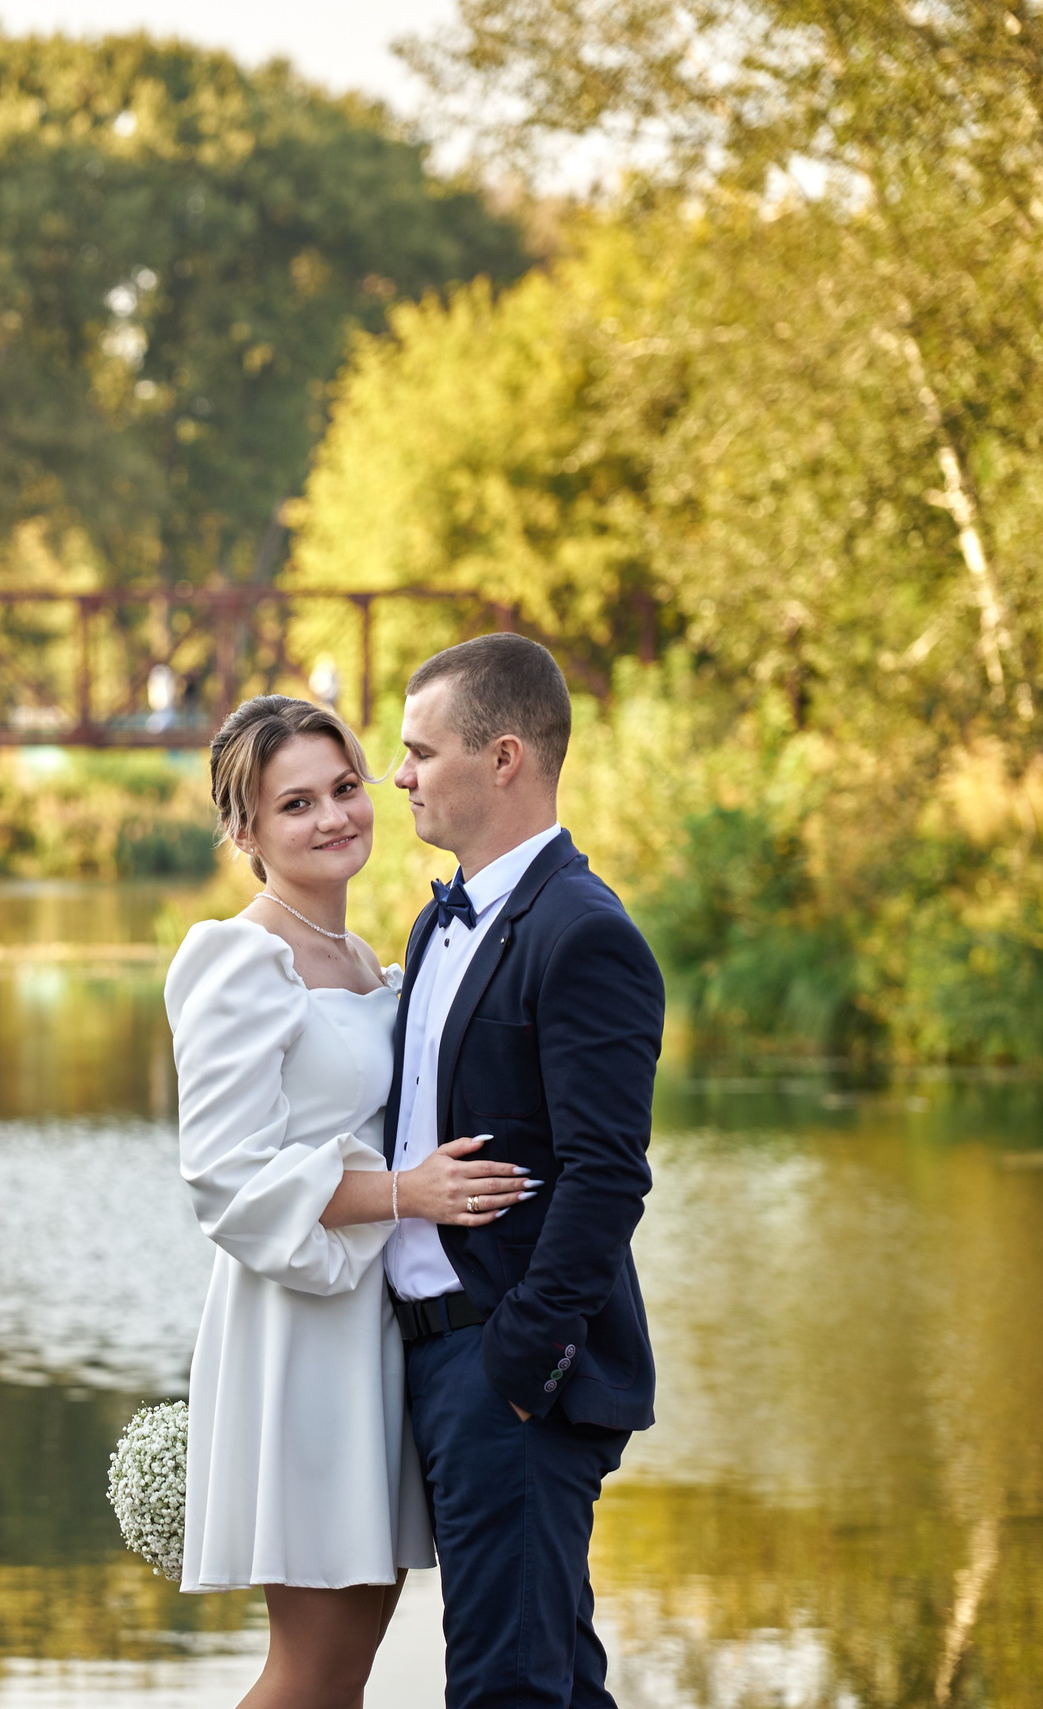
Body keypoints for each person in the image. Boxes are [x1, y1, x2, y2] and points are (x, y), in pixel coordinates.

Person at [167, 694, 535, 1709]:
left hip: (372, 1328)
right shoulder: (236, 957)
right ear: (244, 830)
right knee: (315, 1665)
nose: (333, 816)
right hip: (298, 1334)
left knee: (345, 1666)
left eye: (342, 788)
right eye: (295, 804)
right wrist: (406, 1192)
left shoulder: (367, 958)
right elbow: (223, 1173)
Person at [383, 635, 664, 1709]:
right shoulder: (441, 914)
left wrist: (515, 1366)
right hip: (435, 1361)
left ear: (503, 757)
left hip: (506, 1374)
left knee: (507, 1685)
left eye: (420, 750)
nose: (399, 774)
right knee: (543, 1676)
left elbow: (606, 1175)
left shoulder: (582, 932)